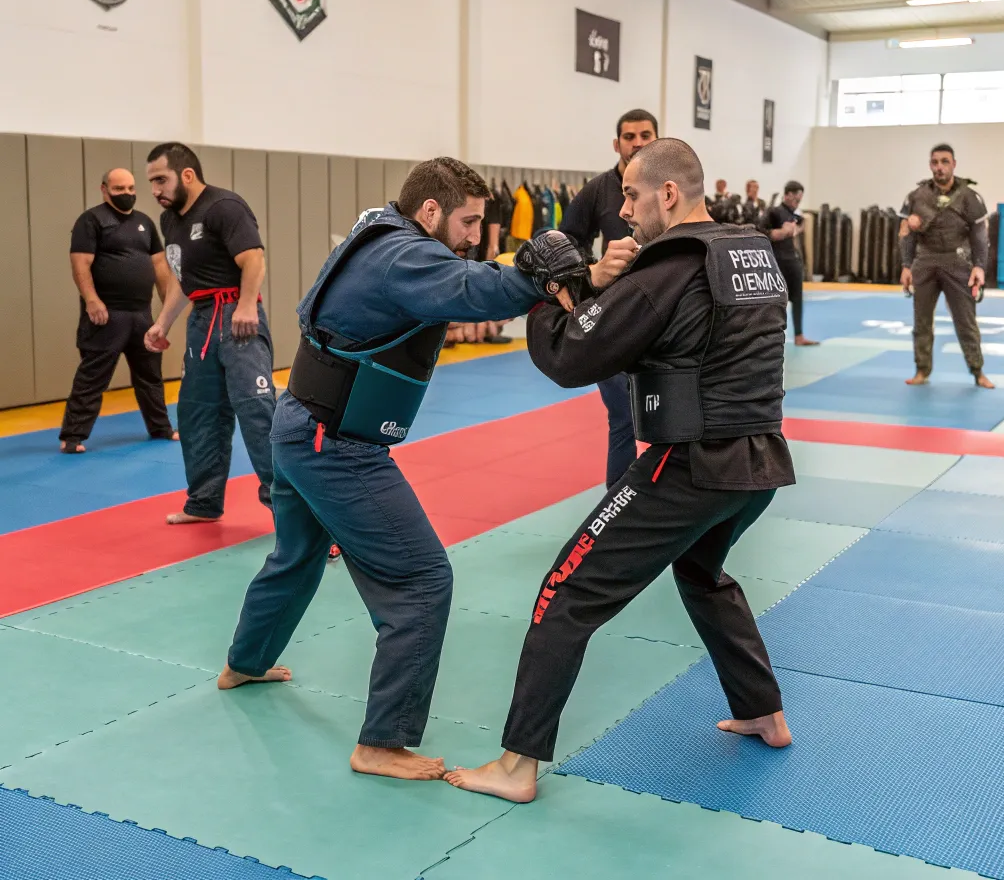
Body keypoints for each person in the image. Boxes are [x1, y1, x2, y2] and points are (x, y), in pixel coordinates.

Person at [216, 157, 637, 783]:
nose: (473, 236)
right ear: (431, 210)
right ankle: (381, 743)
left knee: (297, 555)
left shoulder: (383, 232)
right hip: (336, 445)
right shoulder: (402, 258)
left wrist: (578, 275)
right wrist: (548, 276)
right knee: (421, 580)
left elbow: (460, 276)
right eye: (467, 222)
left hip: (302, 426)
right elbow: (470, 288)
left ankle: (245, 662)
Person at [446, 138, 796, 804]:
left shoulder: (667, 271)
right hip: (761, 461)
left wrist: (553, 294)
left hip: (691, 463)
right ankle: (764, 711)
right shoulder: (749, 252)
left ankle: (516, 766)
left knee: (564, 591)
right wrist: (600, 287)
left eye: (632, 195)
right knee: (702, 573)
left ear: (668, 194)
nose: (624, 210)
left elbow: (573, 358)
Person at [143, 143, 277, 524]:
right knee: (197, 412)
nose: (155, 190)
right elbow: (184, 281)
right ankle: (203, 502)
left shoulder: (224, 207)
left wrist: (248, 305)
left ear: (187, 175)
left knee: (256, 412)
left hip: (238, 317)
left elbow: (253, 258)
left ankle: (292, 512)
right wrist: (162, 324)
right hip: (202, 321)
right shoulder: (170, 221)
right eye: (151, 181)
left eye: (161, 180)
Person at [561, 108, 658, 487]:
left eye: (645, 135)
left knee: (667, 417)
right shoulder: (599, 190)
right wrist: (593, 270)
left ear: (656, 139)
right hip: (613, 315)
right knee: (622, 416)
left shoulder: (671, 188)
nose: (636, 143)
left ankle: (658, 501)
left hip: (663, 316)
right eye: (629, 137)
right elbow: (567, 238)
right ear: (617, 143)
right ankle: (615, 506)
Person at [60, 169, 178, 453]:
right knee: (93, 376)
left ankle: (160, 427)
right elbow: (80, 264)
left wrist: (166, 310)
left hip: (141, 314)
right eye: (118, 189)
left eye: (130, 188)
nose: (126, 194)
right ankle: (73, 436)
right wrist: (91, 300)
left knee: (150, 375)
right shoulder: (91, 221)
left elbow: (160, 266)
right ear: (104, 189)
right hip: (106, 315)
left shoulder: (144, 223)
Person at [900, 144, 993, 389]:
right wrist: (906, 266)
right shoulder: (916, 196)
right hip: (926, 261)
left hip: (957, 261)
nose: (939, 167)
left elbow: (980, 236)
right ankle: (921, 370)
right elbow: (906, 234)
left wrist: (979, 267)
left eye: (944, 161)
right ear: (930, 165)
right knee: (921, 321)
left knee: (966, 320)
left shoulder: (969, 196)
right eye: (935, 162)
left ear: (954, 164)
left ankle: (978, 371)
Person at [765, 181, 818, 347]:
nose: (797, 203)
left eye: (799, 200)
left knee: (798, 298)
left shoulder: (794, 214)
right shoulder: (774, 212)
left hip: (792, 260)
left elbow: (798, 226)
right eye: (795, 199)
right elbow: (760, 231)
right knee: (776, 301)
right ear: (787, 195)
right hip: (778, 261)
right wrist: (779, 233)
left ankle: (799, 336)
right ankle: (771, 337)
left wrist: (797, 229)